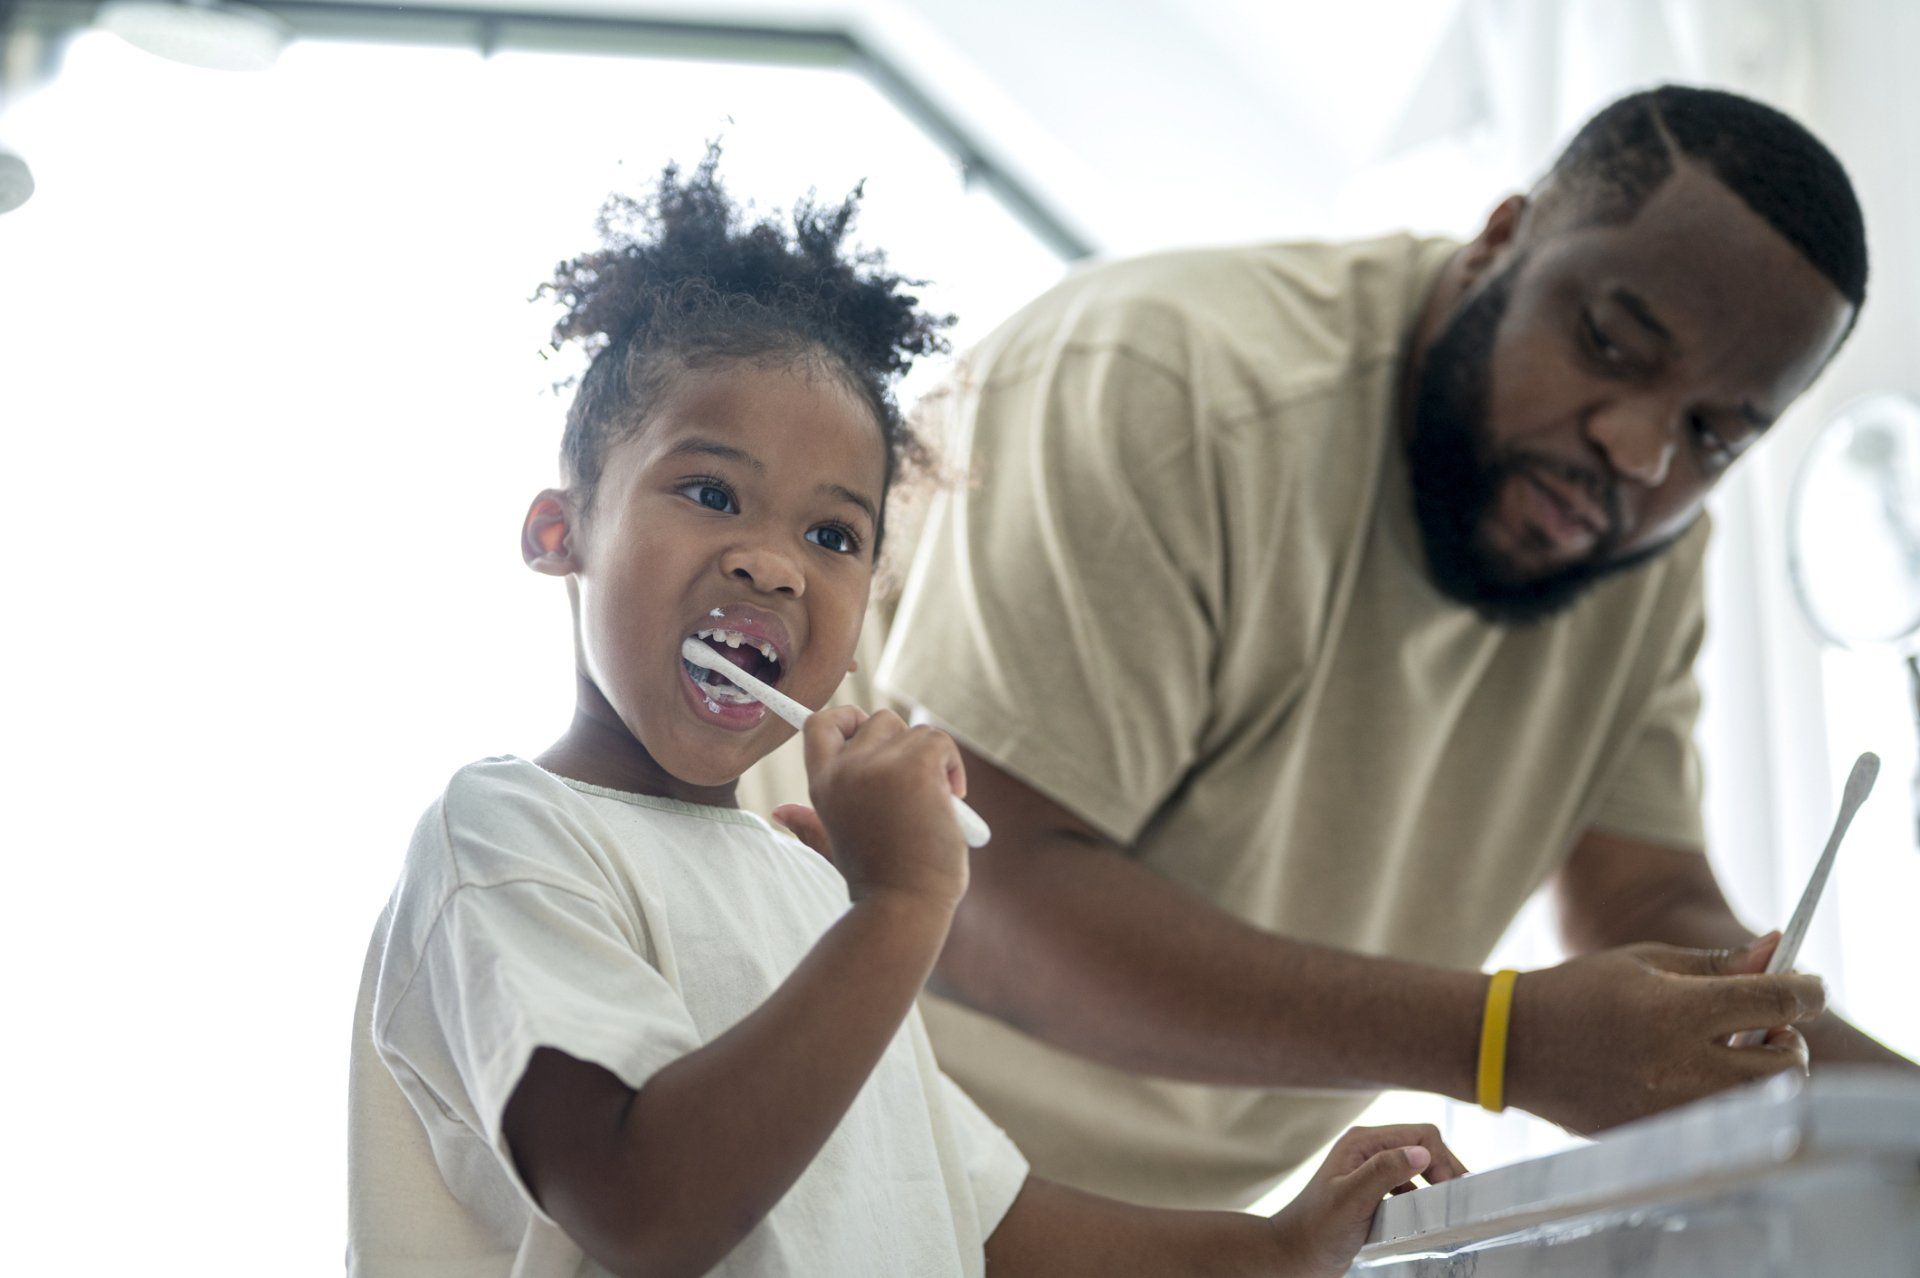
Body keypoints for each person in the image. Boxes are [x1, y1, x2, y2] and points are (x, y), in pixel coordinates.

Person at [764, 85, 1918, 1211]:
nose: (1637, 452)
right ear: (1500, 240)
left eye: (1715, 432)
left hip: (1147, 1235)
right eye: (1613, 345)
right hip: (801, 1151)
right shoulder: (1168, 386)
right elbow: (976, 892)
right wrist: (1503, 1042)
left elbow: (1644, 902)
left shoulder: (1644, 544)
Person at [345, 149, 1469, 1278]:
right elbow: (646, 1211)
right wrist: (901, 908)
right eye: (711, 492)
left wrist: (1277, 1248)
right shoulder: (504, 842)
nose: (775, 565)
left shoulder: (808, 887)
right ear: (560, 533)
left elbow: (989, 1222)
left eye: (833, 536)